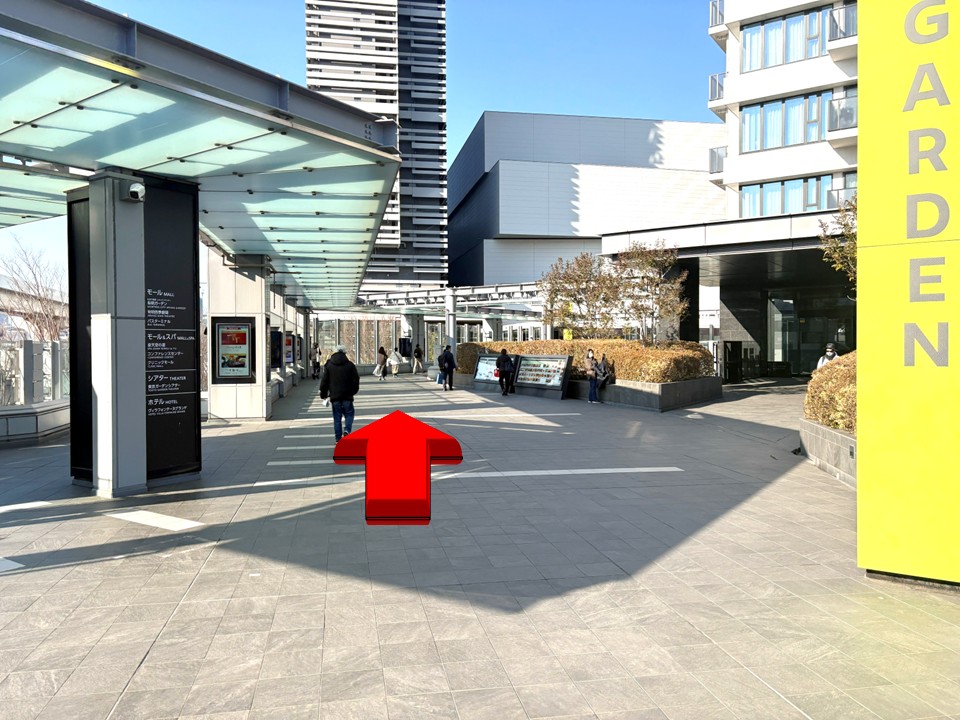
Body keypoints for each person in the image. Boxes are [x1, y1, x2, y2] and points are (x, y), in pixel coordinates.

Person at [319, 344, 360, 442]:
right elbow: (356, 380)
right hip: (347, 396)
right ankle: (347, 430)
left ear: (334, 352)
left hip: (335, 396)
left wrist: (323, 394)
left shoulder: (329, 365)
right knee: (349, 414)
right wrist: (353, 391)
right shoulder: (350, 365)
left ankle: (338, 438)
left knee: (337, 418)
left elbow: (324, 381)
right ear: (345, 353)